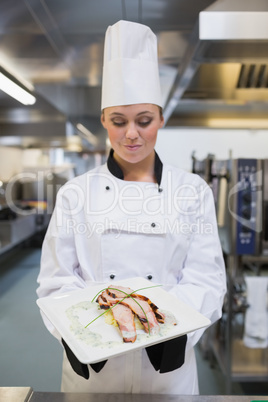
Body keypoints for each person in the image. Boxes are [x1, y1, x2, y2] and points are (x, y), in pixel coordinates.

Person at [37, 20, 226, 394]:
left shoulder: (192, 191)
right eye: (119, 121)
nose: (132, 135)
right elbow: (55, 281)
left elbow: (206, 279)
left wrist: (177, 333)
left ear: (161, 118)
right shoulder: (76, 192)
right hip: (94, 372)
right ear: (104, 120)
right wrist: (73, 337)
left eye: (144, 121)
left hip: (166, 373)